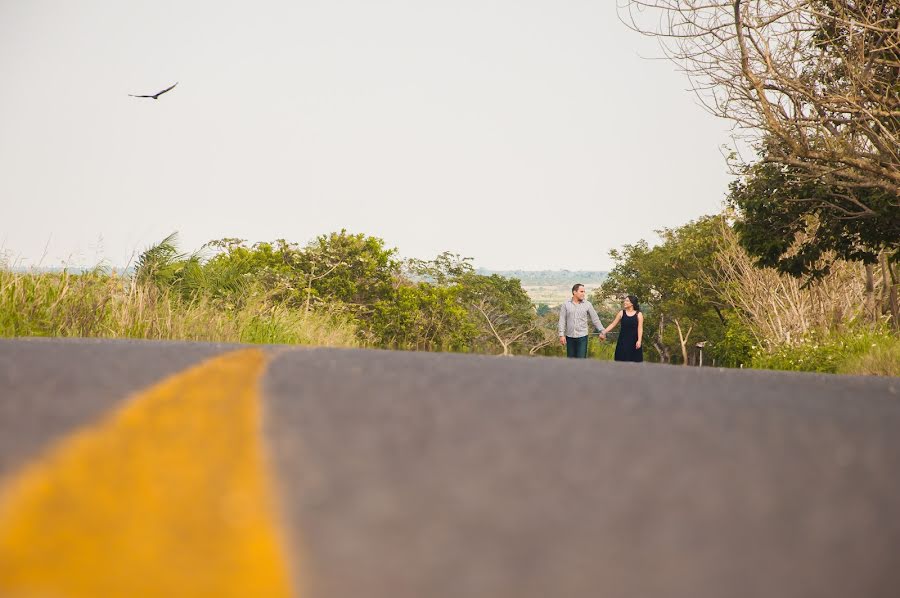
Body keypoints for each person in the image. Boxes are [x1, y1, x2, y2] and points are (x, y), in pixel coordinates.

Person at [558, 283, 606, 358]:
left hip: (582, 337)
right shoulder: (566, 304)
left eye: (584, 292)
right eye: (581, 291)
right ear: (574, 292)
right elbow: (562, 320)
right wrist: (561, 335)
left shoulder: (588, 304)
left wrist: (602, 331)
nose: (583, 294)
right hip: (570, 337)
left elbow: (595, 319)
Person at [602, 295, 644, 362]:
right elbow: (613, 324)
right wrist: (604, 332)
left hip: (634, 343)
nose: (624, 302)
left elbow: (640, 328)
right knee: (621, 361)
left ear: (632, 303)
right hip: (622, 342)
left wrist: (639, 341)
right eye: (625, 300)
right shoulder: (621, 313)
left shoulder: (639, 314)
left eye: (627, 301)